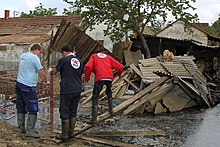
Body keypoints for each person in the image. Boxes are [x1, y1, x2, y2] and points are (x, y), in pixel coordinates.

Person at [51, 45, 84, 141]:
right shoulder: (79, 61)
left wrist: (51, 71)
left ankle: (64, 134)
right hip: (77, 88)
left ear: (64, 52)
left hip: (67, 89)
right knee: (73, 110)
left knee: (64, 110)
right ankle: (71, 133)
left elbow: (55, 72)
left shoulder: (63, 60)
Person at [84, 46, 123, 124]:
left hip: (99, 78)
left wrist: (87, 78)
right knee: (109, 93)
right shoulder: (108, 57)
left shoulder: (94, 56)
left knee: (95, 96)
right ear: (103, 52)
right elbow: (120, 66)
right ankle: (111, 111)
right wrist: (119, 75)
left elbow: (88, 66)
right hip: (109, 78)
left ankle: (94, 118)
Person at [16, 43, 47, 138]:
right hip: (28, 86)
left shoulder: (23, 55)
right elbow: (41, 71)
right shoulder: (34, 57)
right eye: (39, 52)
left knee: (21, 106)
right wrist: (45, 81)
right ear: (37, 49)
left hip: (19, 83)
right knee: (33, 108)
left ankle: (21, 128)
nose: (39, 54)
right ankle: (30, 130)